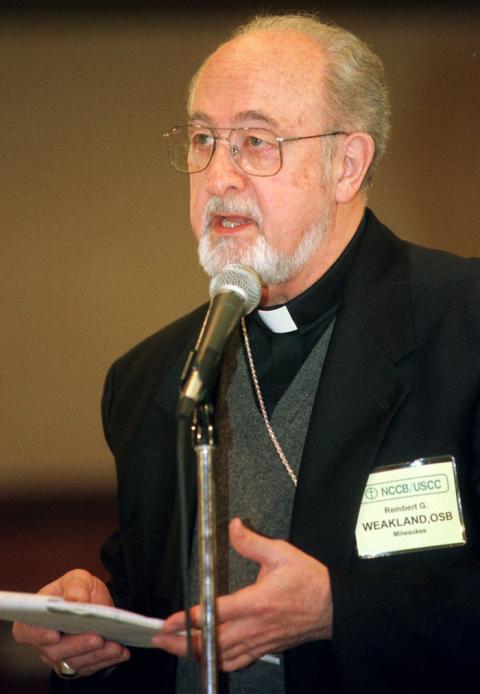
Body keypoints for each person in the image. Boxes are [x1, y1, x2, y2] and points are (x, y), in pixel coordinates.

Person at [12, 12, 480, 694]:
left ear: (347, 165)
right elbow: (158, 630)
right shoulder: (150, 379)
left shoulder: (463, 326)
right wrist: (96, 636)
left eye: (255, 141)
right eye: (203, 138)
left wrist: (339, 611)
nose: (218, 175)